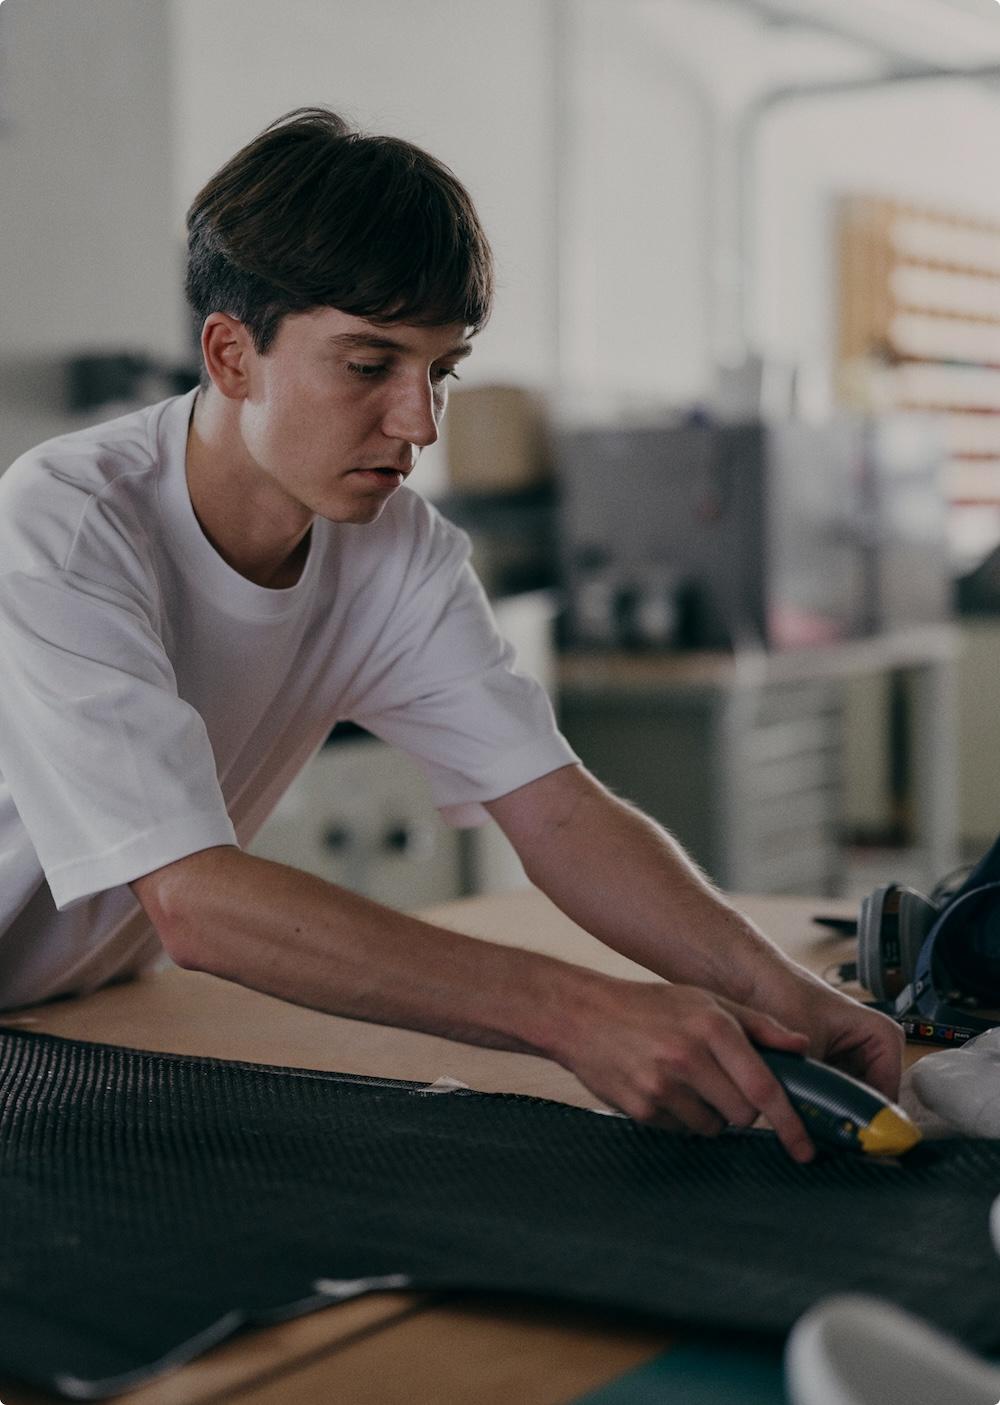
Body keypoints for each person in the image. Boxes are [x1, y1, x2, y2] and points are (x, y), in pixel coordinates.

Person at [0, 107, 900, 1161]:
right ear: (230, 353)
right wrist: (575, 1012)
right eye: (369, 365)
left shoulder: (397, 547)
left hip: (69, 1010)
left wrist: (783, 994)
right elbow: (197, 900)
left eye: (442, 369)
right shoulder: (65, 521)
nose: (420, 422)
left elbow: (556, 808)